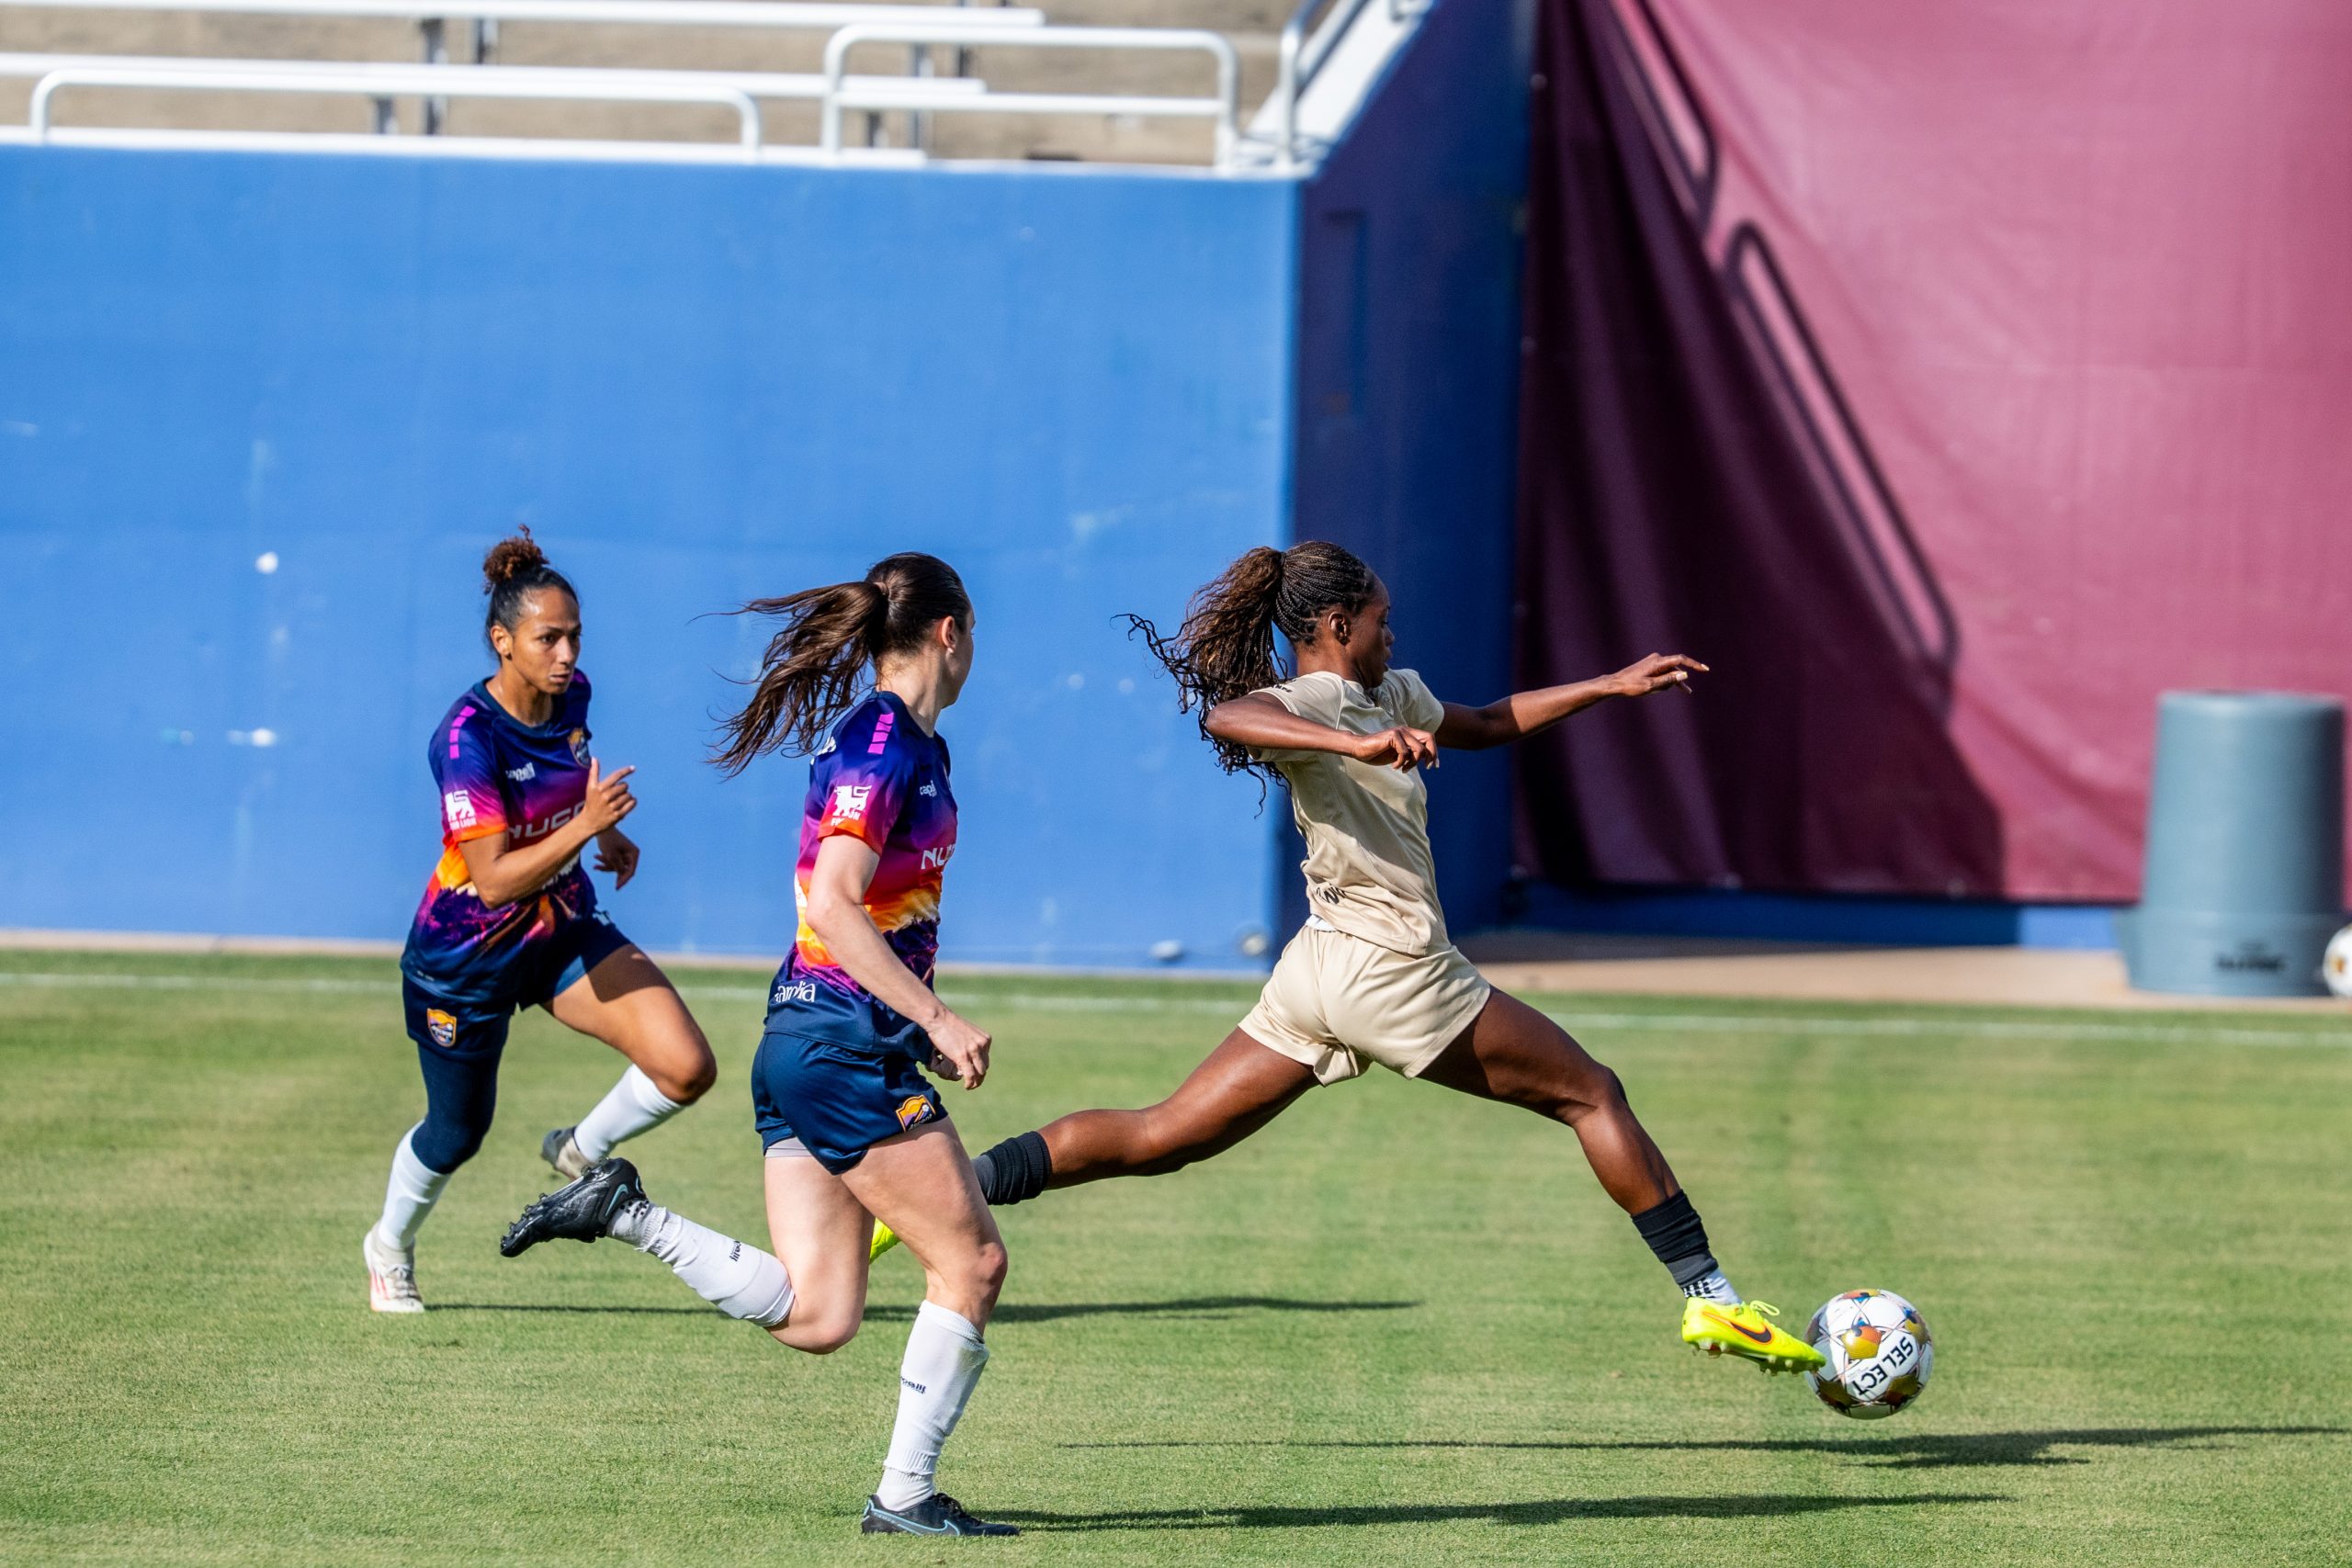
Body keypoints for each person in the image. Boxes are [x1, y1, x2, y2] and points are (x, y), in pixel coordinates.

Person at [874, 539, 1825, 1374]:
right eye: (1381, 620)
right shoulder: (1321, 699)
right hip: (1393, 970)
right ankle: (1711, 1294)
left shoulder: (1389, 692)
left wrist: (1607, 686)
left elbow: (1487, 722)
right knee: (1591, 1092)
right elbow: (1228, 719)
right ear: (1336, 622)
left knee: (1165, 1136)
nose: (1391, 635)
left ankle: (942, 1185)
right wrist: (1353, 743)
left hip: (1321, 971)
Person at [499, 553, 1019, 1538]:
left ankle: (624, 1213)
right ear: (950, 633)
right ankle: (904, 1495)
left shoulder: (901, 743)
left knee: (821, 1316)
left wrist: (916, 1019)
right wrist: (938, 1020)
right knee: (973, 1265)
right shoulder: (883, 742)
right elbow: (833, 899)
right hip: (837, 1048)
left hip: (805, 1042)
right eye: (974, 634)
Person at [364, 530, 717, 1314]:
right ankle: (388, 1245)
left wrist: (606, 832)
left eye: (574, 636)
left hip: (559, 927)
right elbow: (490, 882)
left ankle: (581, 1147)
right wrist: (589, 825)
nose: (565, 653)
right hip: (466, 959)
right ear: (503, 642)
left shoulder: (574, 696)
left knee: (687, 1067)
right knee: (458, 1133)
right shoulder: (466, 739)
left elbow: (565, 783)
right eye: (547, 638)